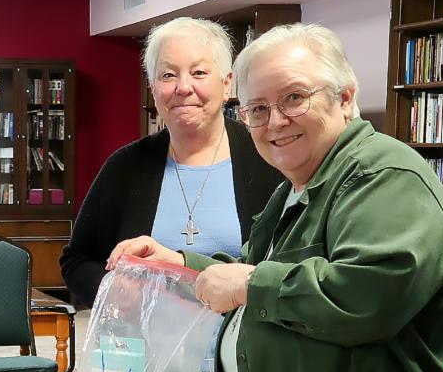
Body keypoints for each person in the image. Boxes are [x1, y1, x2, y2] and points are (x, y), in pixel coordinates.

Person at [108, 23, 443, 372]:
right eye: (257, 109)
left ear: (345, 97)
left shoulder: (383, 176)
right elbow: (256, 270)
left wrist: (250, 285)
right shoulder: (295, 186)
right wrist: (182, 263)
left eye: (294, 98)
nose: (274, 122)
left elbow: (369, 294)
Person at [60, 17, 282, 307]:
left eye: (199, 72)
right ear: (153, 88)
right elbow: (76, 260)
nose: (183, 87)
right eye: (168, 75)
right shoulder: (125, 167)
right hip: (148, 335)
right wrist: (112, 289)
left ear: (227, 83)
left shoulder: (270, 158)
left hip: (244, 334)